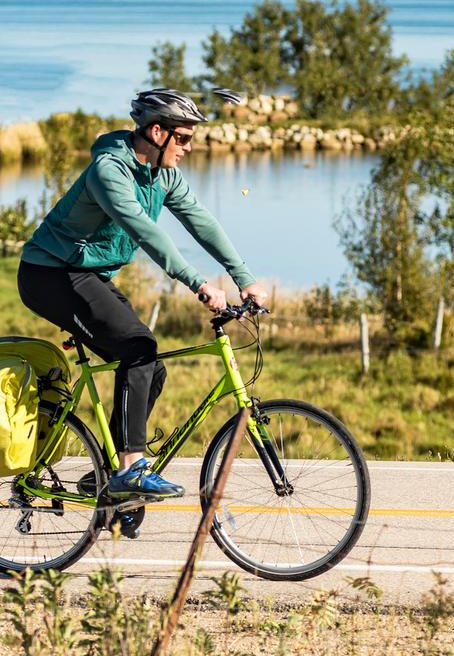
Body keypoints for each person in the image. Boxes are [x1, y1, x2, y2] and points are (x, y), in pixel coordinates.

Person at [17, 88, 267, 515]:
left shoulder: (161, 174)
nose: (189, 148)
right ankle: (131, 468)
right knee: (138, 347)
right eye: (184, 138)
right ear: (158, 131)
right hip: (50, 274)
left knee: (152, 370)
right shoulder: (109, 171)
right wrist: (197, 283)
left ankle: (111, 481)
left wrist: (244, 278)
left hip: (87, 274)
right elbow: (144, 232)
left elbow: (199, 221)